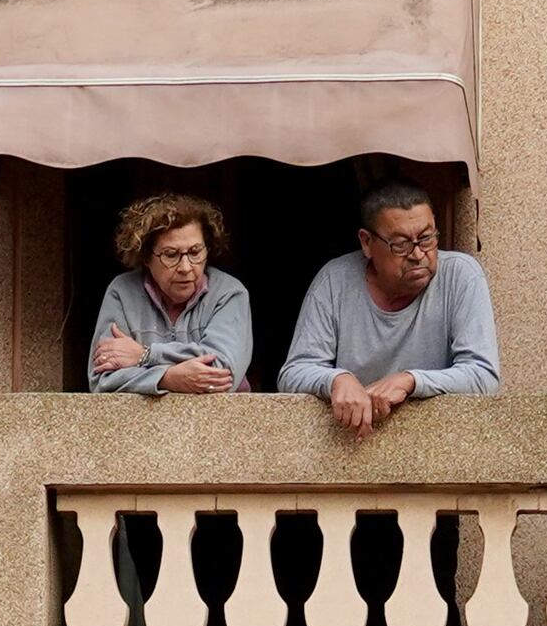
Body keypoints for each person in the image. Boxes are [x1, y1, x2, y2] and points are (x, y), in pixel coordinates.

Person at [278, 178, 498, 435]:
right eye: (401, 245)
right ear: (367, 243)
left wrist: (411, 380)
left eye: (427, 238)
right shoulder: (334, 281)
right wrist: (337, 379)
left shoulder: (461, 275)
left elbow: (484, 376)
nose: (417, 255)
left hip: (438, 442)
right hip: (349, 444)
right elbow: (292, 373)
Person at [86, 194, 252, 396]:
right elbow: (102, 380)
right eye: (171, 255)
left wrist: (145, 355)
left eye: (195, 252)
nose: (185, 267)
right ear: (146, 257)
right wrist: (168, 378)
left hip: (219, 422)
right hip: (141, 424)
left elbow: (221, 373)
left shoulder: (229, 292)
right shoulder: (121, 292)